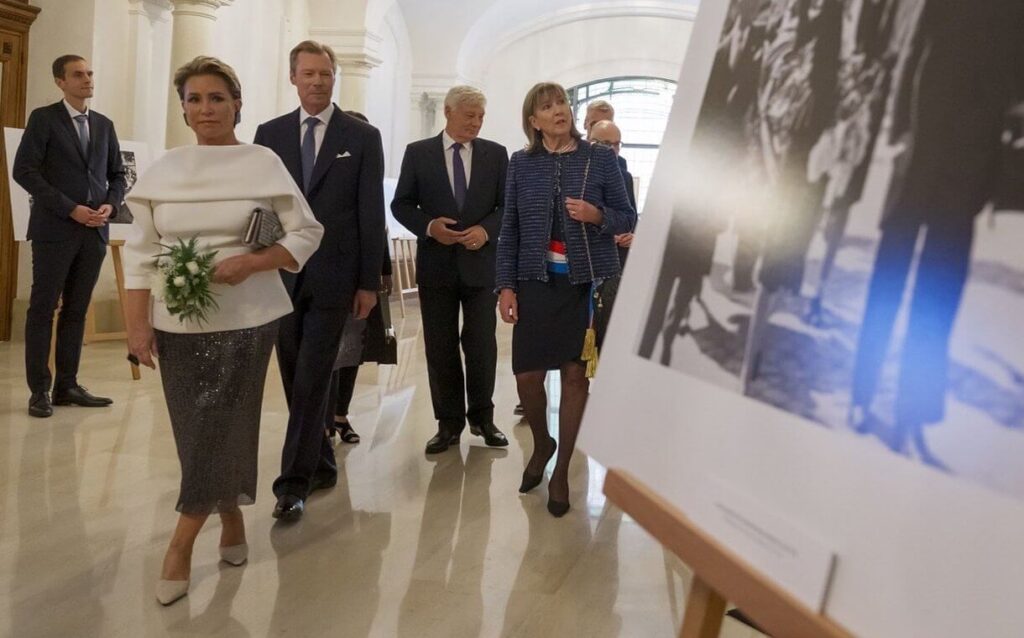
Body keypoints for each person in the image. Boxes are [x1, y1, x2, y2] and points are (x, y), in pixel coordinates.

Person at [122, 56, 323, 606]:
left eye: (216, 98)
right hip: (176, 321)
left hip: (248, 318)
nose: (205, 108)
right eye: (194, 99)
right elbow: (139, 254)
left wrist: (252, 264)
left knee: (224, 419)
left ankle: (182, 540)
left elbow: (307, 231)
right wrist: (137, 327)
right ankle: (230, 512)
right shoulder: (165, 168)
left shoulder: (263, 161)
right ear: (183, 109)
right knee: (197, 428)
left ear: (237, 103)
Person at [850, 2, 1024, 461]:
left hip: (968, 170)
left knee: (937, 298)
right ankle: (862, 394)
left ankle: (913, 413)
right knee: (888, 281)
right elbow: (914, 52)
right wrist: (902, 133)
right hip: (920, 156)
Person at [254, 41, 386, 521]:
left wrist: (370, 281)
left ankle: (292, 483)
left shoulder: (361, 137)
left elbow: (370, 211)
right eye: (307, 73)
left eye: (324, 74)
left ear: (334, 78)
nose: (316, 81)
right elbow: (261, 207)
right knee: (294, 374)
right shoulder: (269, 135)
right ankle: (323, 459)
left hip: (337, 276)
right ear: (293, 77)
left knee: (313, 374)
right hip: (282, 274)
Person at [496, 82, 635, 517]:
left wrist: (596, 216)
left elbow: (627, 215)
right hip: (534, 282)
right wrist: (506, 285)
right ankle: (542, 443)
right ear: (534, 121)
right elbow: (510, 229)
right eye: (547, 106)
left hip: (583, 284)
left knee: (577, 378)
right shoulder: (521, 164)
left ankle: (560, 474)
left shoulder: (598, 159)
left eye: (562, 103)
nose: (559, 110)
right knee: (527, 378)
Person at [392, 86, 510, 454]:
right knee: (440, 346)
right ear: (448, 112)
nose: (475, 123)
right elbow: (402, 205)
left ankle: (483, 418)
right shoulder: (419, 153)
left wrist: (485, 231)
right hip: (437, 267)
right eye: (468, 115)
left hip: (480, 267)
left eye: (480, 117)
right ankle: (448, 423)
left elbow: (507, 206)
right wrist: (430, 228)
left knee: (481, 345)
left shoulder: (495, 154)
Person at [13, 54, 126, 418]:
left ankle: (68, 385)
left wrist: (110, 205)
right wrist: (69, 208)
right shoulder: (44, 119)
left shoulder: (104, 125)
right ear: (60, 81)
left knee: (76, 310)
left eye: (90, 73)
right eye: (78, 75)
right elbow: (25, 170)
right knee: (43, 310)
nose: (87, 79)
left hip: (94, 231)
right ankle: (39, 391)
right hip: (55, 229)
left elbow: (118, 175)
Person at [324, 110, 394, 445]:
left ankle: (340, 415)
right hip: (326, 273)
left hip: (359, 277)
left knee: (351, 350)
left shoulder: (367, 176)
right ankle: (323, 418)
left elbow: (375, 224)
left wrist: (383, 271)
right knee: (325, 353)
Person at [588, 119, 636, 263]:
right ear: (592, 143)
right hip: (591, 256)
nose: (614, 149)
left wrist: (631, 236)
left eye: (617, 144)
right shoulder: (579, 174)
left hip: (618, 258)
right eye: (608, 144)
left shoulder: (625, 177)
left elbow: (630, 216)